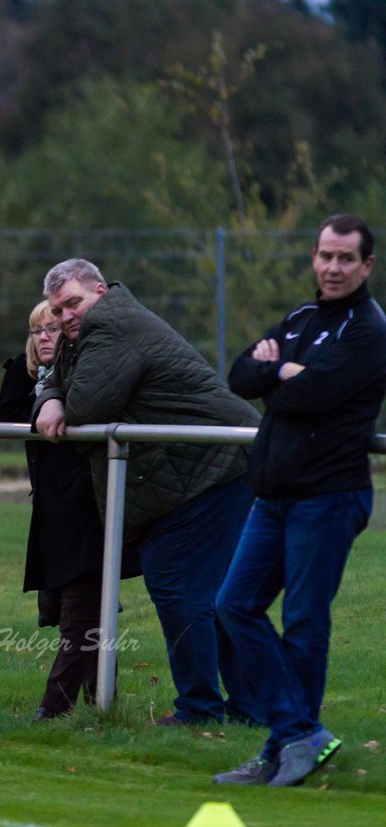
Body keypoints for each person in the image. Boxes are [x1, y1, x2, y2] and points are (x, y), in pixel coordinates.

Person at [32, 259, 264, 726]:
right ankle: (246, 708)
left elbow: (86, 404)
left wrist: (58, 398)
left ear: (99, 290)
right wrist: (49, 395)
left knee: (181, 588)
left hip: (213, 471)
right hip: (190, 476)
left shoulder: (112, 325)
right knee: (208, 594)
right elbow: (56, 377)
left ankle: (204, 709)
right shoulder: (92, 330)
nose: (65, 317)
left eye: (73, 303)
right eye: (57, 310)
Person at [214, 214, 386, 787]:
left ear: (367, 266)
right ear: (313, 257)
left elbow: (311, 396)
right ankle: (296, 735)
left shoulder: (368, 330)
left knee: (304, 623)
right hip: (273, 496)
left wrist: (279, 371)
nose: (333, 268)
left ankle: (284, 746)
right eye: (325, 256)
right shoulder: (301, 318)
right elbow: (239, 376)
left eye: (346, 259)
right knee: (233, 605)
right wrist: (282, 373)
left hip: (330, 497)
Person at [0, 300, 119, 719]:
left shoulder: (86, 371)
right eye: (36, 331)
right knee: (82, 608)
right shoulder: (35, 376)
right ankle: (101, 700)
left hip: (90, 506)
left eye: (52, 328)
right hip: (53, 512)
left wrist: (55, 389)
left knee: (79, 607)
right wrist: (31, 369)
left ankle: (56, 706)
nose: (45, 336)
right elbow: (7, 417)